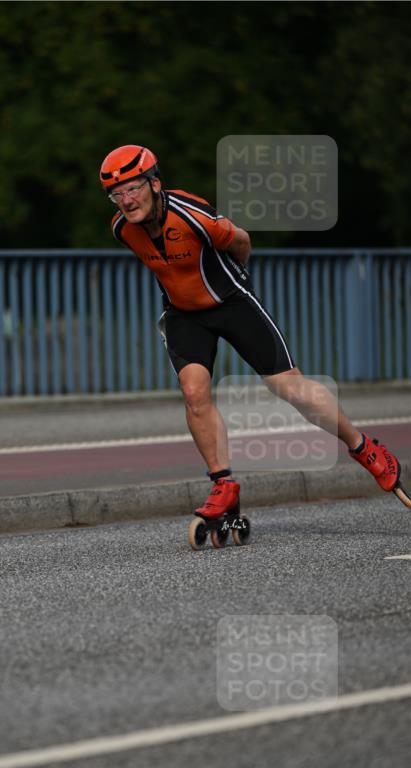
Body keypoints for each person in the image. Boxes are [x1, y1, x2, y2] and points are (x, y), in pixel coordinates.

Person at [100, 144, 402, 521]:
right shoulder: (121, 229)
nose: (126, 200)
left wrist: (238, 279)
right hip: (183, 315)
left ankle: (363, 447)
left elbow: (241, 241)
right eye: (116, 194)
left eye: (133, 188)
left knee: (288, 386)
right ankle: (223, 484)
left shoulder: (194, 216)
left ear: (155, 183)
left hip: (232, 304)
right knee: (194, 392)